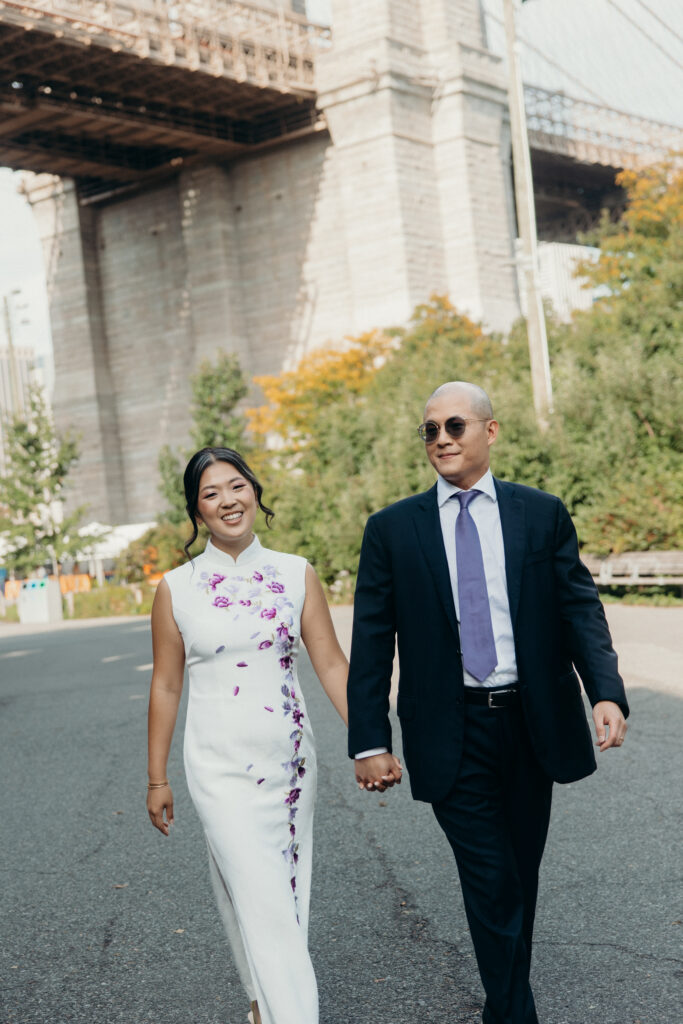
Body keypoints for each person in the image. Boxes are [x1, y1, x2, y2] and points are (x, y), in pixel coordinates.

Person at [348, 381, 629, 1024]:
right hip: (451, 729)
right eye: (429, 431)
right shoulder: (392, 530)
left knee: (519, 873)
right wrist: (370, 739)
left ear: (490, 431)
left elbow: (577, 607)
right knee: (490, 876)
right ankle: (511, 1013)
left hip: (535, 722)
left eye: (454, 426)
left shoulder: (541, 513)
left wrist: (605, 692)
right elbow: (371, 639)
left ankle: (506, 999)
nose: (441, 439)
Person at [146, 446, 392, 1024]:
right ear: (196, 512)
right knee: (262, 896)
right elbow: (164, 686)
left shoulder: (294, 572)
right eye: (211, 494)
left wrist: (371, 741)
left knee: (279, 892)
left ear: (254, 491)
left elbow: (331, 662)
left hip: (287, 763)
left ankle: (263, 1006)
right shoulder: (174, 589)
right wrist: (157, 777)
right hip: (217, 767)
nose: (227, 500)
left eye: (236, 486)